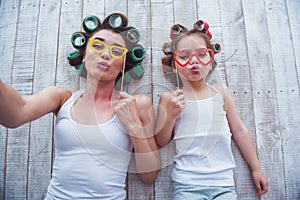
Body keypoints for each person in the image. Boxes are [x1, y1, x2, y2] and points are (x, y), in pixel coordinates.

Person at [0, 13, 160, 199]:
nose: (106, 54)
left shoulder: (137, 104)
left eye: (116, 51)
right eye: (98, 45)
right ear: (84, 55)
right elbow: (15, 114)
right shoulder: (61, 98)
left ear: (123, 64)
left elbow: (149, 176)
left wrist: (133, 127)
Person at [155, 20, 268, 199]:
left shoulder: (221, 92)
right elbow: (161, 141)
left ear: (211, 60)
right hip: (186, 184)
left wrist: (256, 169)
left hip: (223, 183)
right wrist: (170, 116)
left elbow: (239, 130)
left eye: (202, 54)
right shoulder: (170, 98)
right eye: (184, 56)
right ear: (175, 65)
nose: (194, 61)